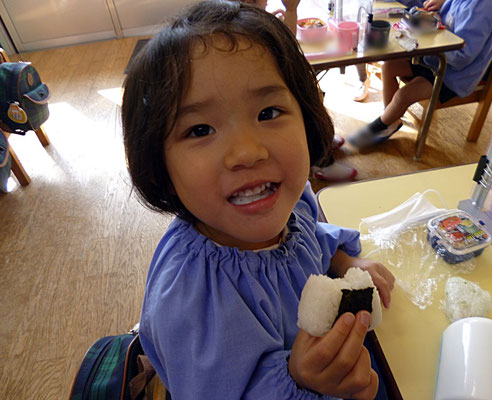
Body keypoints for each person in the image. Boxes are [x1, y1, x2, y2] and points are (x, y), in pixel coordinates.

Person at [122, 1, 395, 398]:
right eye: (200, 130)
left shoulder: (290, 202)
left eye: (268, 113)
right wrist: (300, 381)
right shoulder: (191, 304)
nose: (247, 153)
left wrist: (344, 262)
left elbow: (312, 238)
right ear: (158, 164)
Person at [348, 0, 492, 148]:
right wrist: (439, 8)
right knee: (389, 67)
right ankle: (391, 119)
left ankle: (381, 125)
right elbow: (448, 19)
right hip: (435, 57)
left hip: (454, 75)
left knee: (403, 96)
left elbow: (462, 57)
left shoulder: (484, 6)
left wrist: (428, 36)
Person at [235, 0, 357, 181]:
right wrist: (291, 10)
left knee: (314, 96)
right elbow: (287, 49)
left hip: (262, 91)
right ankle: (320, 161)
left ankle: (323, 138)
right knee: (308, 110)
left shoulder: (243, 18)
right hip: (261, 95)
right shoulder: (243, 25)